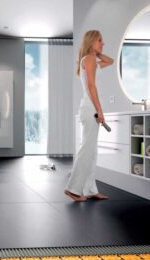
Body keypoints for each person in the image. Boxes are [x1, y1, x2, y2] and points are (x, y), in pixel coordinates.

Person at [64, 30, 114, 202]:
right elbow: (92, 86)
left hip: (88, 107)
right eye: (100, 40)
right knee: (87, 149)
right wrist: (100, 110)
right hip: (91, 108)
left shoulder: (91, 59)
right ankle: (73, 189)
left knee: (92, 151)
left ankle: (90, 189)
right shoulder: (90, 59)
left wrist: (98, 51)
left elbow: (111, 61)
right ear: (91, 41)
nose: (103, 43)